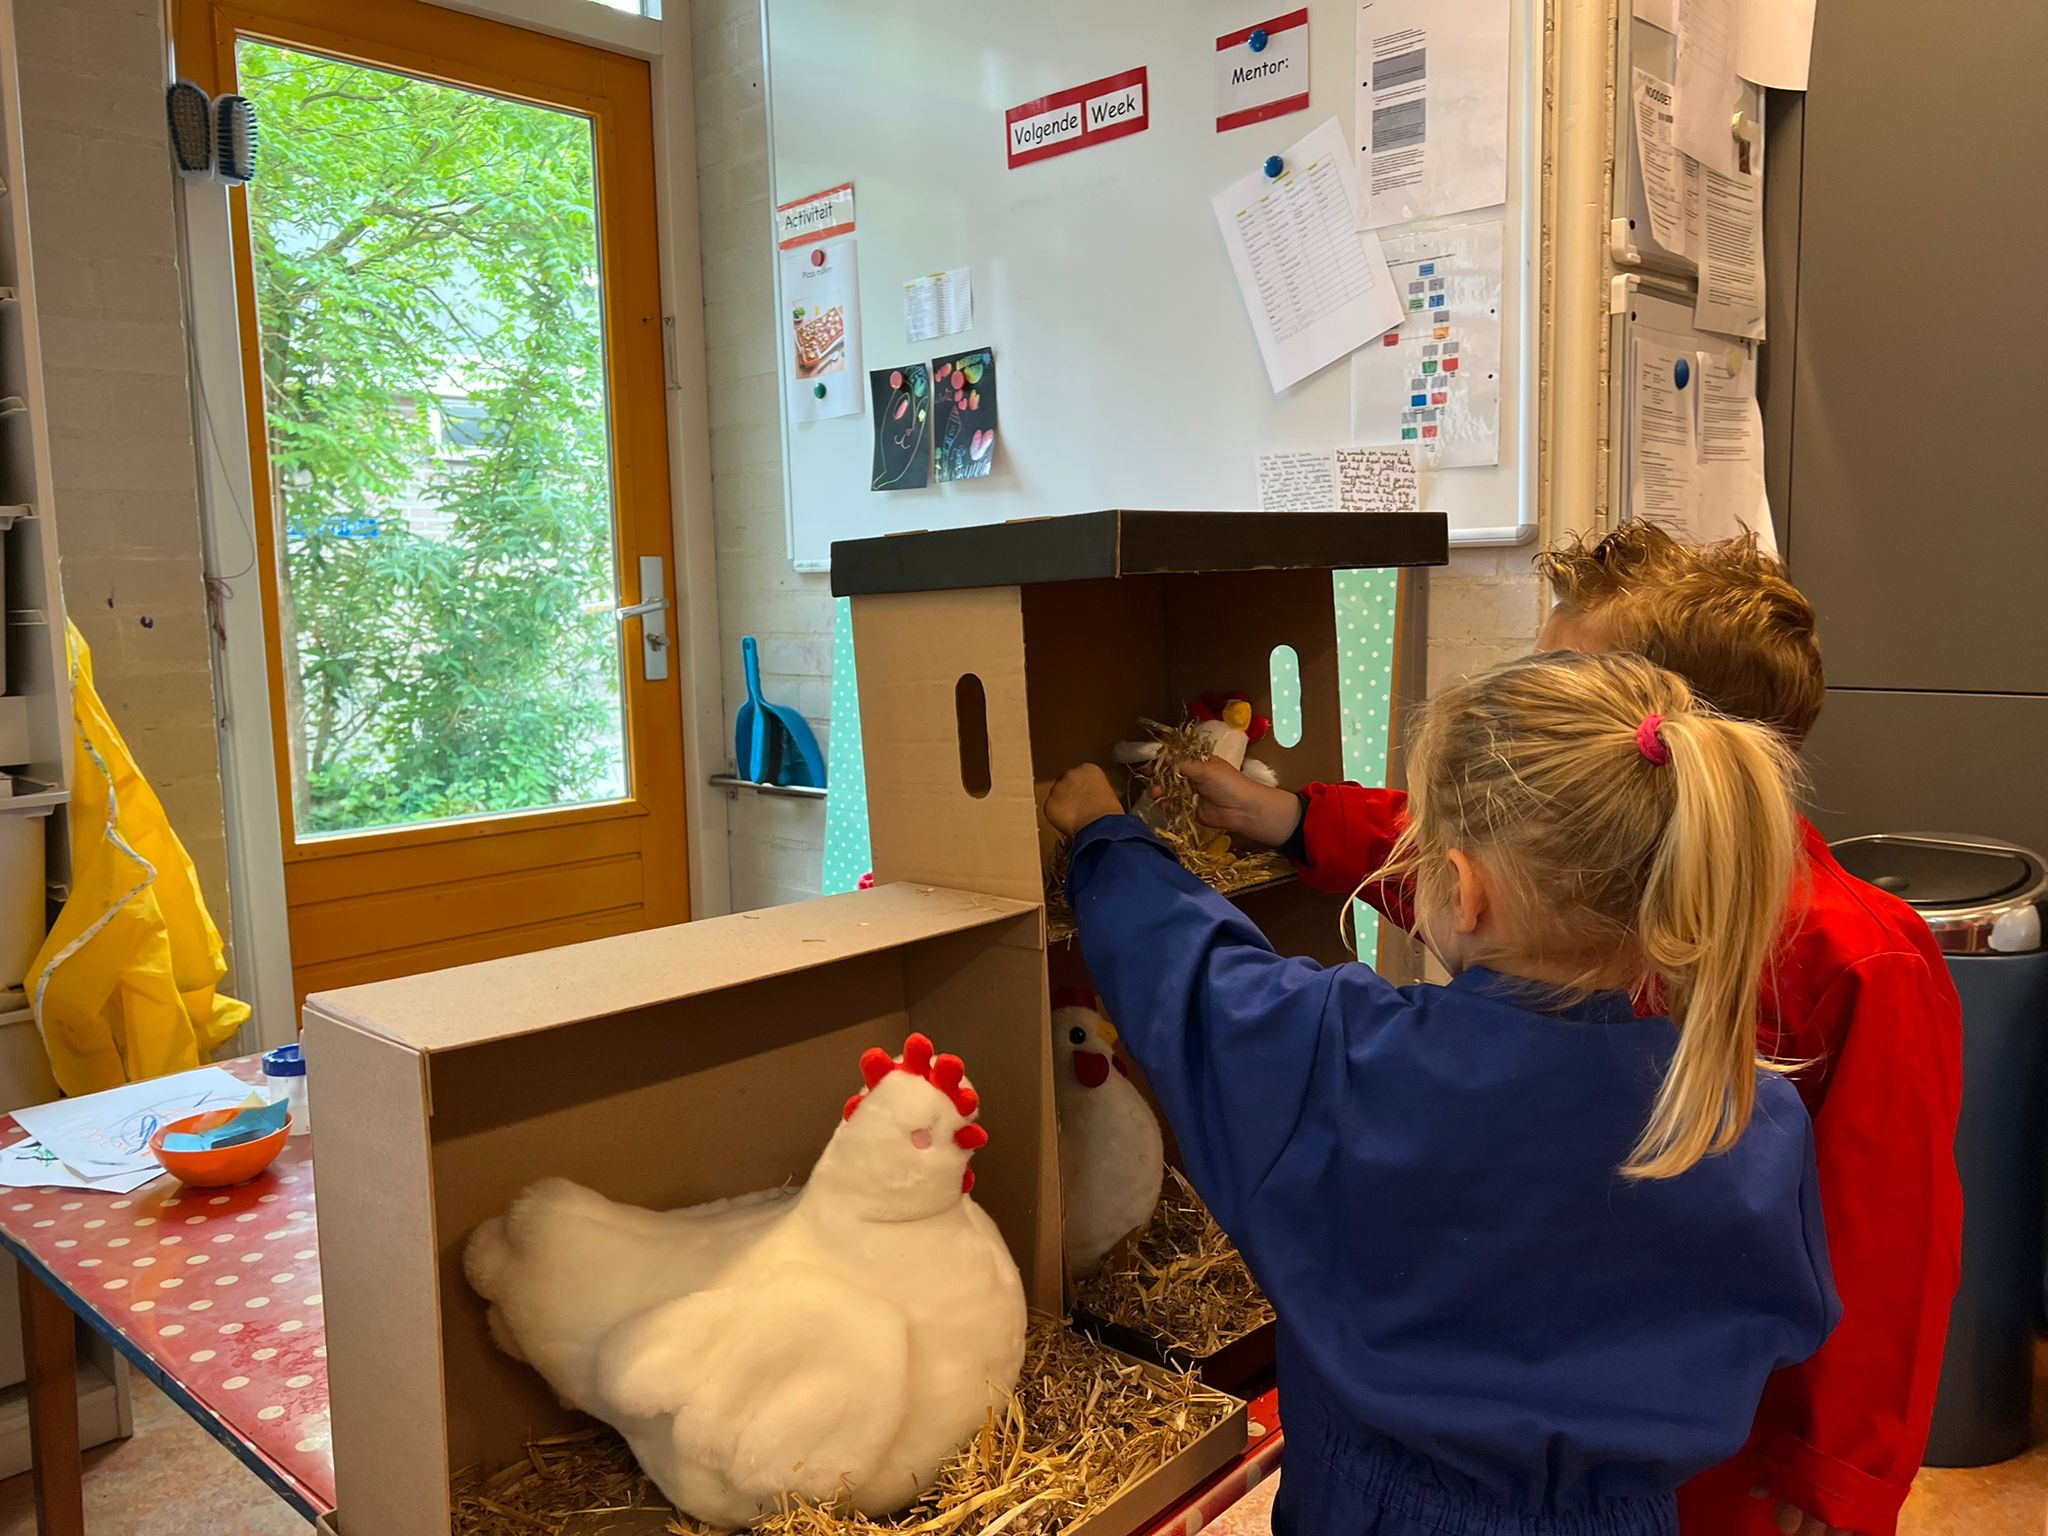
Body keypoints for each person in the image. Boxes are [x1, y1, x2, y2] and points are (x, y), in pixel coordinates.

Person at [1174, 526, 1963, 1536]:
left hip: (1720, 1434)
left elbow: (1890, 1233)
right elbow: (1492, 881)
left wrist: (1840, 1466)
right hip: (1570, 1378)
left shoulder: (1859, 953)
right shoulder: (1587, 878)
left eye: (1556, 688)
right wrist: (1296, 819)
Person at [1044, 650, 1840, 1536]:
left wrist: (1104, 834)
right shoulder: (1752, 1116)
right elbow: (1788, 1323)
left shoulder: (1344, 1056)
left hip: (1379, 1514)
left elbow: (1189, 972)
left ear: (1462, 891)